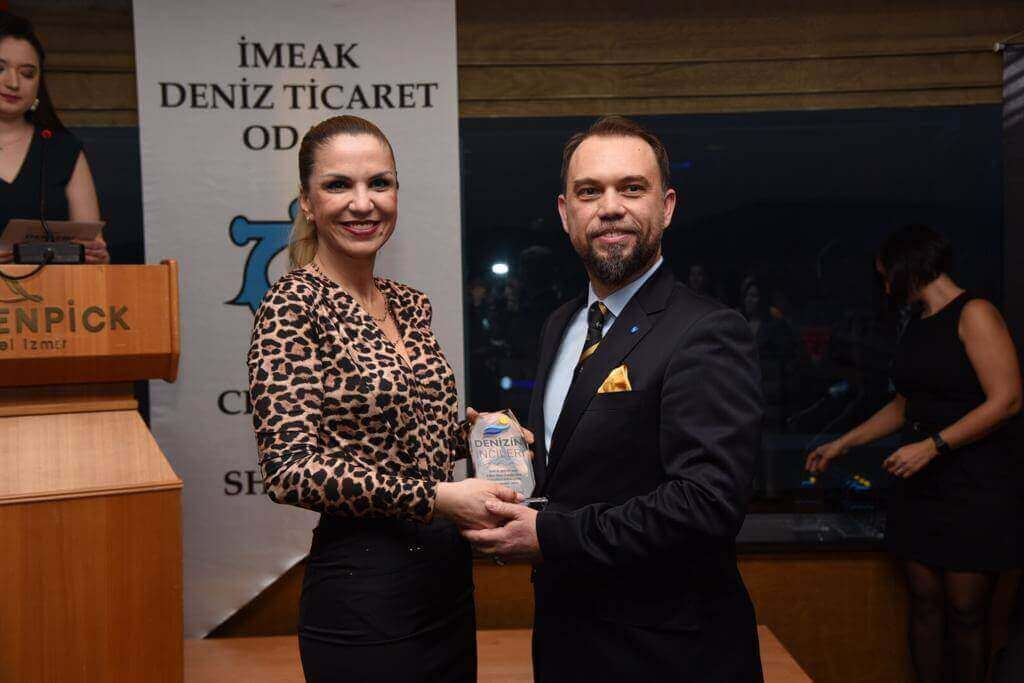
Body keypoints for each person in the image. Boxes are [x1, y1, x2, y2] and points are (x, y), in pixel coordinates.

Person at [464, 116, 765, 681]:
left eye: (631, 188)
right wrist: (516, 457)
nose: (609, 207)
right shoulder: (562, 324)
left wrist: (547, 534)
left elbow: (708, 505)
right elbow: (583, 467)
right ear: (565, 213)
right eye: (589, 191)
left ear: (666, 207)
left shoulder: (706, 330)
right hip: (567, 642)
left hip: (669, 656)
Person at [247, 115, 520, 682]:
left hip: (444, 578)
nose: (363, 202)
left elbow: (410, 440)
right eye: (338, 185)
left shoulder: (409, 304)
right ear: (307, 202)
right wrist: (437, 497)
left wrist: (482, 436)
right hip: (363, 589)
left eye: (379, 183)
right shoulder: (293, 305)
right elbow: (288, 470)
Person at [806, 225, 1022, 683]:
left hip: (974, 484)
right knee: (924, 604)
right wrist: (843, 443)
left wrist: (932, 446)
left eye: (886, 275)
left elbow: (1007, 400)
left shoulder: (975, 312)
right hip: (922, 485)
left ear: (908, 267)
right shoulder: (918, 322)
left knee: (966, 611)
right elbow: (905, 405)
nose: (885, 288)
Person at [0, 12, 108, 263]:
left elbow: (96, 252)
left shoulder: (62, 149)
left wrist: (95, 255)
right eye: (0, 68)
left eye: (27, 73)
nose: (13, 82)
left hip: (55, 288)